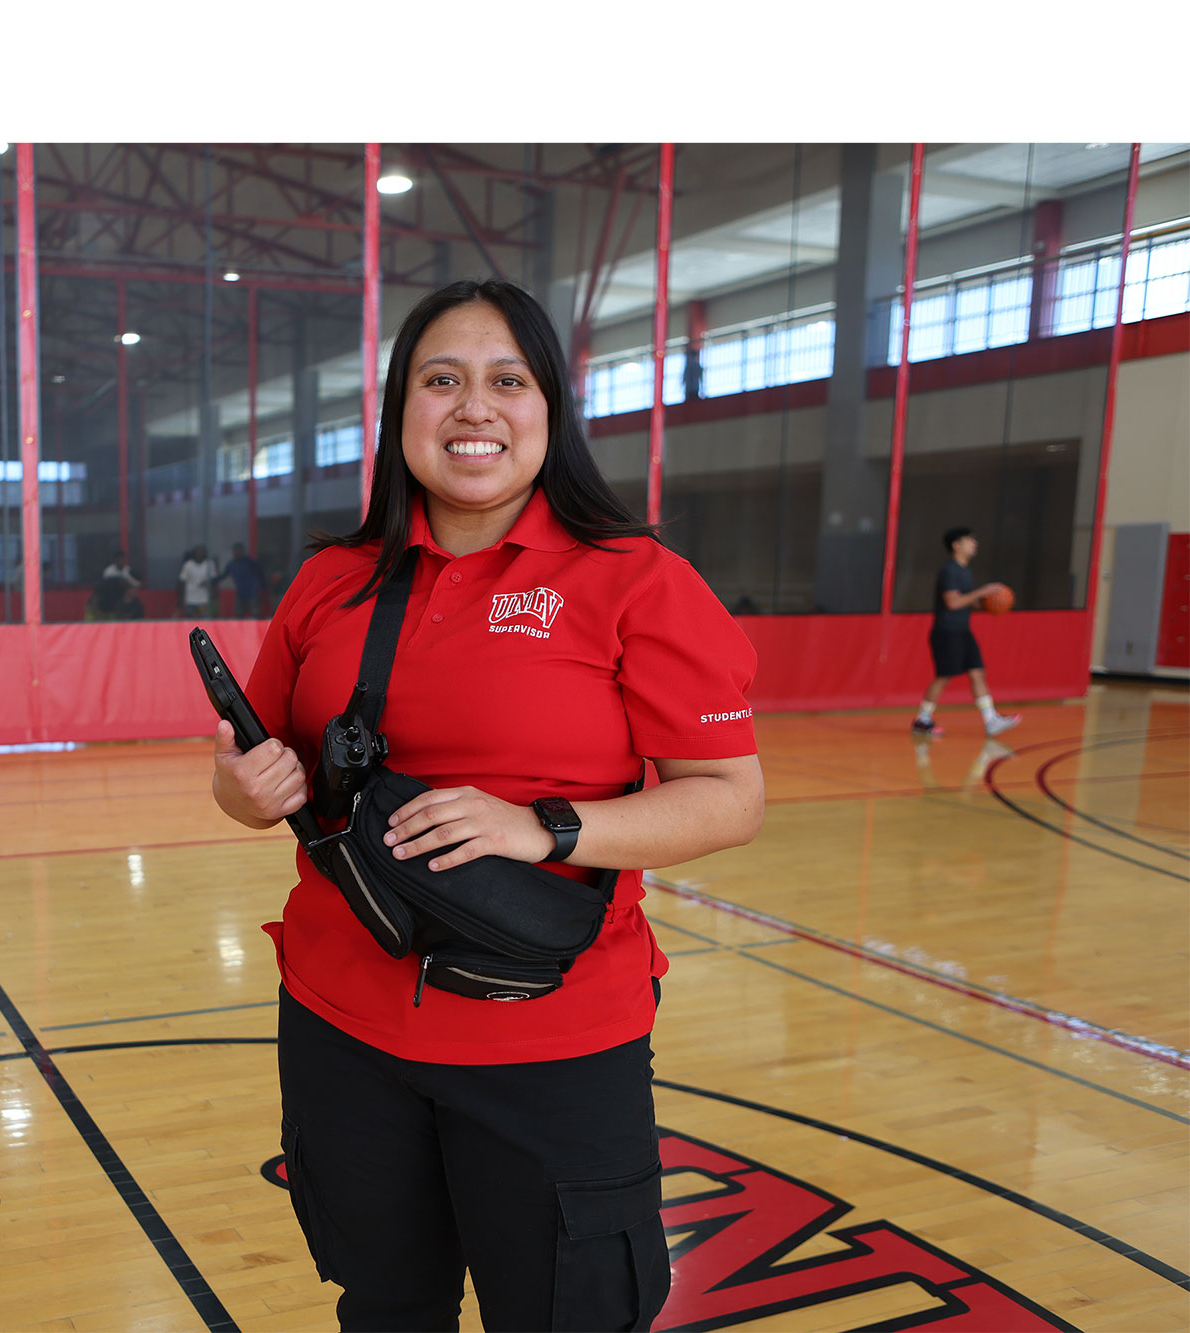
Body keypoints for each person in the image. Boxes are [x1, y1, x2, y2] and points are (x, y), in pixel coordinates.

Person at [210, 280, 764, 1332]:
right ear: (398, 410)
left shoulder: (633, 581)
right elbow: (253, 765)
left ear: (548, 409)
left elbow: (729, 797)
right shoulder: (331, 581)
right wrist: (242, 789)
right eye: (441, 380)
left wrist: (543, 826)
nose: (473, 408)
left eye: (506, 381)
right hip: (342, 1028)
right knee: (384, 1304)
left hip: (548, 1039)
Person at [912, 527, 1019, 738]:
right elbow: (952, 602)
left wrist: (990, 604)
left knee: (977, 672)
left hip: (962, 631)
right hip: (947, 631)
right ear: (956, 545)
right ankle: (922, 720)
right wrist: (982, 591)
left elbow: (965, 601)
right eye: (970, 540)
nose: (974, 543)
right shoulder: (950, 570)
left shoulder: (964, 570)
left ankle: (991, 720)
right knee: (944, 676)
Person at [222, 541, 264, 618]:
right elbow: (223, 576)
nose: (237, 553)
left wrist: (263, 587)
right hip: (240, 593)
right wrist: (211, 581)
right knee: (239, 614)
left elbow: (260, 574)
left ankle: (257, 629)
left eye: (239, 551)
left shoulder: (250, 562)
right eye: (235, 551)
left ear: (242, 551)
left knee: (255, 613)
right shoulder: (231, 565)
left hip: (252, 593)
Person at [178, 544, 220, 619]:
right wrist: (181, 599)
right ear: (194, 553)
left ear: (205, 553)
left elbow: (214, 580)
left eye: (202, 552)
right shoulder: (188, 565)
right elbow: (182, 581)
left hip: (204, 600)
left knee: (205, 621)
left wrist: (208, 584)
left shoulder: (209, 564)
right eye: (198, 552)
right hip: (190, 599)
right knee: (190, 622)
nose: (200, 554)